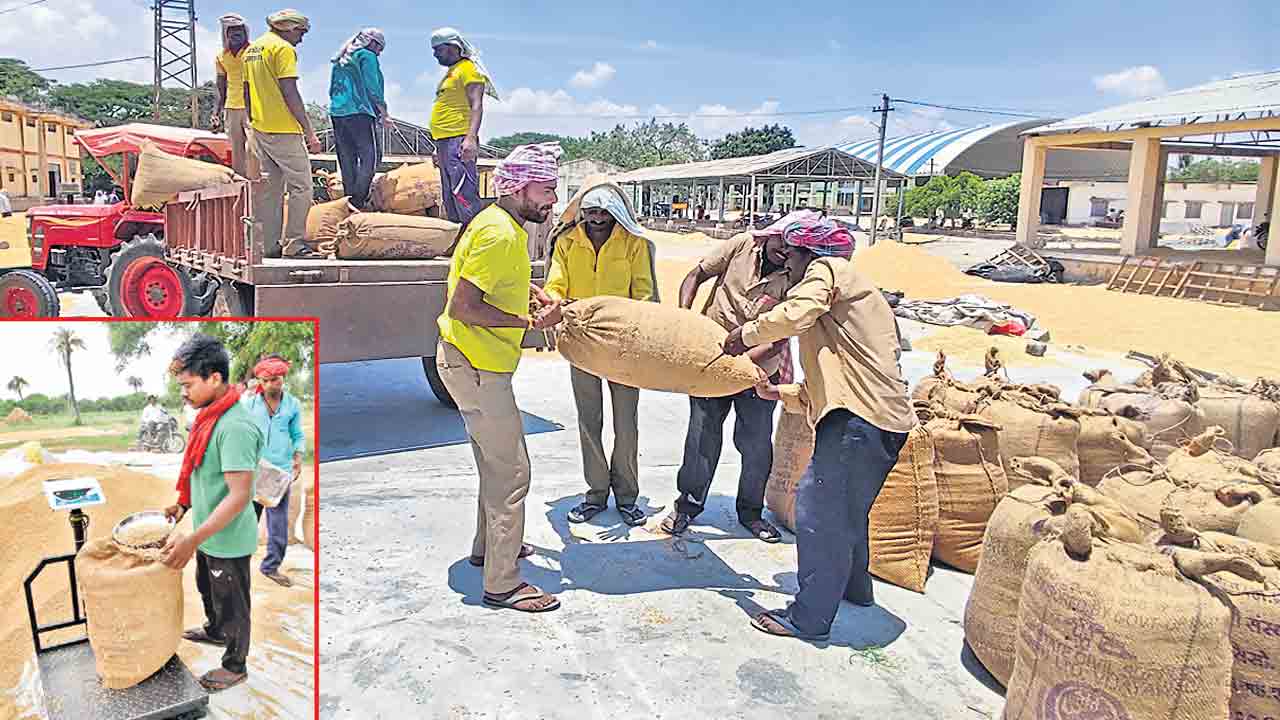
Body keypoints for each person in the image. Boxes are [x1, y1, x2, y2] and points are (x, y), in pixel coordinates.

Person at [721, 217, 914, 642]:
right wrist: (782, 394)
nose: (784, 264)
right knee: (848, 512)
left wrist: (744, 335)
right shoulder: (854, 302)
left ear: (809, 252)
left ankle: (809, 618)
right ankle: (854, 589)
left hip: (858, 423)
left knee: (817, 510)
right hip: (882, 420)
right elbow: (839, 374)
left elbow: (798, 310)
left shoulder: (829, 271)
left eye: (790, 254)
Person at [435, 142, 561, 613]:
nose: (550, 200)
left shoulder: (495, 223)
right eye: (546, 190)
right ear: (520, 187)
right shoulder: (502, 235)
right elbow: (463, 306)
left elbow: (493, 281)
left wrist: (528, 293)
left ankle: (488, 549)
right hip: (478, 367)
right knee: (512, 473)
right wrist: (531, 323)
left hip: (467, 362)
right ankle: (502, 584)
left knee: (493, 463)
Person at [659, 211, 814, 544]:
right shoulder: (741, 245)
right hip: (710, 360)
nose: (784, 253)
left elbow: (778, 338)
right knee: (702, 435)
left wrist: (740, 364)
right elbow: (696, 274)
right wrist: (683, 319)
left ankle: (750, 512)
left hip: (760, 369)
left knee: (755, 443)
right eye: (779, 243)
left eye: (792, 248)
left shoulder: (799, 277)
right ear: (767, 236)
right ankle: (688, 505)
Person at [546, 181, 655, 527]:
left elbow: (644, 291)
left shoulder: (633, 244)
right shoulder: (567, 243)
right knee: (588, 420)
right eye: (590, 211)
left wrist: (635, 328)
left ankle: (627, 497)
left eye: (603, 212)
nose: (596, 218)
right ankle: (595, 494)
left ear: (615, 212)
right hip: (581, 342)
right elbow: (556, 284)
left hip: (623, 345)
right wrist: (554, 303)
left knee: (626, 423)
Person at [160, 334, 264, 691]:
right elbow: (204, 472)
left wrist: (191, 539)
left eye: (188, 385)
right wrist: (183, 504)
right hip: (208, 532)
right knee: (207, 587)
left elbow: (238, 497)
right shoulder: (208, 418)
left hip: (228, 537)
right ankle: (215, 630)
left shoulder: (234, 426)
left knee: (233, 602)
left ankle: (235, 664)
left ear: (214, 378)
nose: (183, 393)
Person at [244, 9, 322, 259]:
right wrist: (309, 131)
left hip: (261, 129)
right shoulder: (283, 49)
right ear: (288, 27)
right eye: (300, 32)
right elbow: (289, 90)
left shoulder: (252, 50)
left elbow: (246, 90)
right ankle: (294, 244)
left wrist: (252, 122)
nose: (301, 38)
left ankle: (268, 245)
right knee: (302, 187)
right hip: (283, 129)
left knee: (272, 188)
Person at [242, 354, 306, 587]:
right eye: (266, 381)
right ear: (260, 381)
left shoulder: (292, 405)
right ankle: (239, 565)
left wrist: (298, 457)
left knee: (278, 525)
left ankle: (270, 567)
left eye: (275, 380)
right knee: (247, 520)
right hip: (255, 469)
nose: (271, 385)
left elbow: (298, 434)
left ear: (283, 379)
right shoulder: (248, 405)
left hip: (280, 471)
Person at [429, 27, 498, 226]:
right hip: (444, 141)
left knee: (463, 192)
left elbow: (477, 105)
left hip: (459, 140)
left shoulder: (469, 69)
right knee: (450, 195)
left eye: (438, 50)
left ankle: (473, 236)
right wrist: (437, 147)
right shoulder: (452, 73)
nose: (435, 55)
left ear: (453, 47)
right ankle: (456, 241)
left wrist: (470, 139)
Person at [328, 28, 388, 210]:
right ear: (373, 43)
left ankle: (349, 200)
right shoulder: (367, 55)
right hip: (359, 111)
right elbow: (372, 85)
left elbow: (332, 88)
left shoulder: (341, 60)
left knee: (347, 158)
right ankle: (359, 200)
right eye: (380, 49)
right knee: (372, 156)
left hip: (338, 112)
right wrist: (383, 111)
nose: (379, 53)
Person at [212, 14, 253, 178]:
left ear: (245, 34)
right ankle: (242, 184)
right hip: (231, 107)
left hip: (253, 107)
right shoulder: (222, 57)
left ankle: (259, 184)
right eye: (232, 32)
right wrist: (216, 112)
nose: (236, 36)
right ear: (226, 34)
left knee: (255, 149)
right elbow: (220, 86)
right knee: (237, 152)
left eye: (239, 32)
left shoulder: (253, 52)